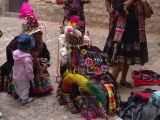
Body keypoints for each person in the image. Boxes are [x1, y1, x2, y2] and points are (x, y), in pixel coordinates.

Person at [103, 0, 148, 88]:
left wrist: (145, 3)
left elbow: (148, 14)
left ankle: (123, 80)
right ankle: (110, 86)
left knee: (128, 57)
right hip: (120, 32)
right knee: (118, 58)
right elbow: (121, 9)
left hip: (134, 31)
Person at [12, 34, 35, 104]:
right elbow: (29, 69)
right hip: (23, 76)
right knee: (25, 87)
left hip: (15, 74)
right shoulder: (26, 58)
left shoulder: (16, 53)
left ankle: (20, 97)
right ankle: (25, 99)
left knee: (18, 87)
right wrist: (31, 77)